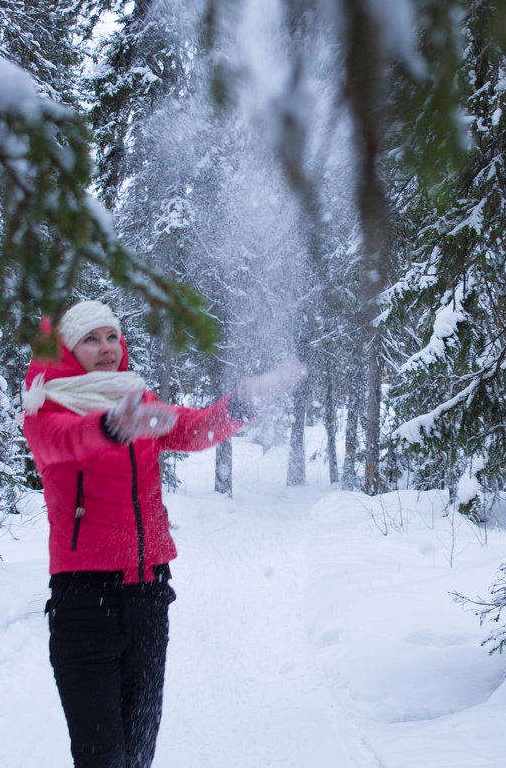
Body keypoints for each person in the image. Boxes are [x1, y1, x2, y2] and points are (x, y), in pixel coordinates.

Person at [22, 300, 305, 768]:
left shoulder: (138, 400)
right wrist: (112, 427)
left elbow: (194, 430)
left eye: (112, 336)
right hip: (84, 606)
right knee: (101, 758)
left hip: (149, 598)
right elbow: (68, 440)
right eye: (91, 339)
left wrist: (246, 399)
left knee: (137, 755)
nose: (107, 349)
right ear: (69, 350)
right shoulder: (46, 410)